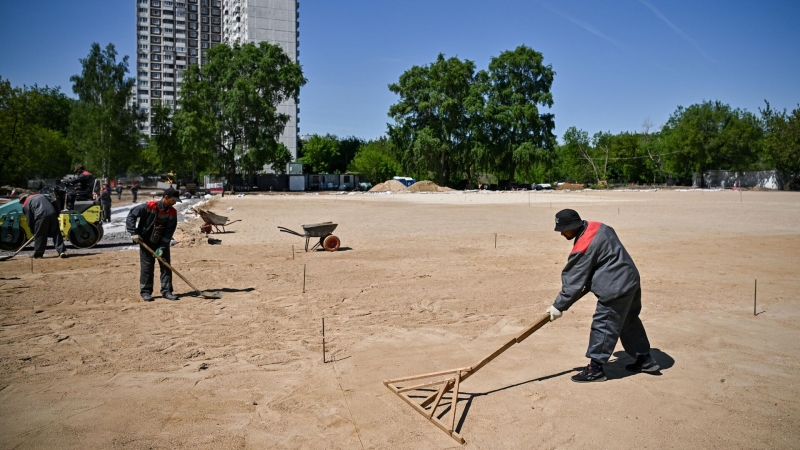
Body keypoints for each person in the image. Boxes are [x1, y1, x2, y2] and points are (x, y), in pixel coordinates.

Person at [546, 209, 659, 382]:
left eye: (563, 229)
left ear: (574, 226)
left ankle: (596, 368)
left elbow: (573, 280)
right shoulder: (600, 227)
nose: (561, 233)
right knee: (629, 321)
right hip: (630, 279)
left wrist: (558, 306)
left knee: (604, 323)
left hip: (614, 287)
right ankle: (644, 359)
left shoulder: (583, 246)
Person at [126, 187, 181, 302]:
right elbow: (131, 215)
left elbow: (169, 232)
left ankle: (167, 291)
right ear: (166, 197)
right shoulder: (149, 206)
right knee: (147, 268)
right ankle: (146, 292)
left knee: (166, 266)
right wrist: (133, 232)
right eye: (173, 200)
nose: (174, 202)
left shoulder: (172, 212)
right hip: (146, 241)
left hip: (162, 243)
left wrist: (162, 247)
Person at [19, 193, 66, 258]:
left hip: (40, 216)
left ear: (22, 200)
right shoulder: (41, 195)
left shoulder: (26, 205)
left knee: (40, 235)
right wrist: (57, 213)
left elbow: (29, 220)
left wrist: (33, 231)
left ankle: (38, 254)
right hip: (53, 213)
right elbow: (54, 201)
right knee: (56, 233)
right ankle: (61, 251)